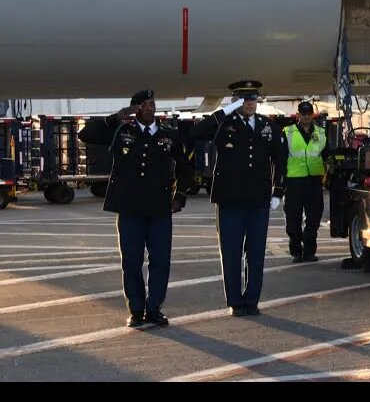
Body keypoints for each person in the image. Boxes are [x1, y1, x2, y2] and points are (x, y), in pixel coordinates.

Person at [79, 88, 195, 328]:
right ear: (135, 109)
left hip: (159, 208)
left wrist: (180, 197)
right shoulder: (122, 131)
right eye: (144, 104)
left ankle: (154, 308)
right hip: (130, 209)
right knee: (131, 262)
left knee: (160, 261)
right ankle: (136, 309)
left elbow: (185, 168)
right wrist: (115, 118)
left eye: (152, 104)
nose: (150, 108)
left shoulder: (168, 135)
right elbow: (85, 134)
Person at [191, 80, 286, 317]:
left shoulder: (267, 126)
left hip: (258, 200)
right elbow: (197, 132)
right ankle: (235, 300)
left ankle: (252, 300)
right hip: (230, 200)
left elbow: (280, 160)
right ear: (236, 101)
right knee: (231, 253)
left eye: (253, 98)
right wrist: (222, 113)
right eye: (244, 99)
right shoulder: (224, 124)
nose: (250, 103)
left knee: (255, 255)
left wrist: (278, 190)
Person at [282, 101, 327, 262]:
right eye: (303, 114)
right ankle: (296, 250)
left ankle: (309, 251)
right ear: (298, 115)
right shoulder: (288, 132)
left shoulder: (321, 132)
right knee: (293, 218)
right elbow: (280, 157)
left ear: (313, 114)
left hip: (314, 180)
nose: (306, 117)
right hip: (294, 181)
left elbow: (326, 155)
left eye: (309, 114)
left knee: (313, 218)